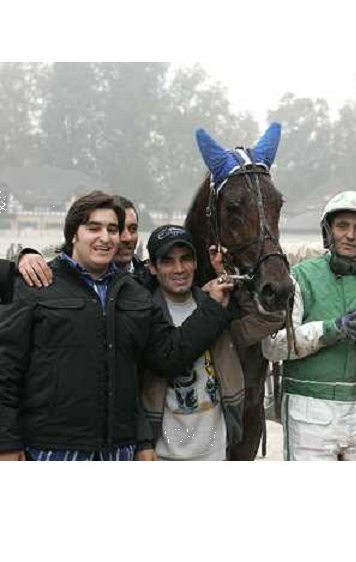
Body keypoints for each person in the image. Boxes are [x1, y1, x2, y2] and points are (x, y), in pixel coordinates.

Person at [0, 192, 231, 461]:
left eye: (112, 229)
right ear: (73, 233)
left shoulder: (134, 295)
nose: (105, 237)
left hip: (119, 450)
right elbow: (5, 370)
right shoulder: (37, 284)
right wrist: (6, 442)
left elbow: (166, 357)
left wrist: (213, 307)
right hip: (51, 449)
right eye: (93, 228)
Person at [262, 191, 356, 461]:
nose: (350, 235)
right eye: (342, 226)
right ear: (328, 231)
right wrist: (333, 329)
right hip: (310, 411)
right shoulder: (299, 277)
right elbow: (272, 346)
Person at [140, 225, 244, 461]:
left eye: (186, 259)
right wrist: (142, 442)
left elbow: (265, 321)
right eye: (167, 261)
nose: (179, 269)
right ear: (152, 268)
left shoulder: (219, 301)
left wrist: (230, 274)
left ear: (197, 263)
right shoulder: (143, 314)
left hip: (216, 451)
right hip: (163, 453)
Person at [17, 193, 143, 287]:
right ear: (74, 234)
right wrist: (23, 258)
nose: (127, 238)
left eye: (133, 228)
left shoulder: (152, 277)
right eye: (94, 229)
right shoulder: (44, 278)